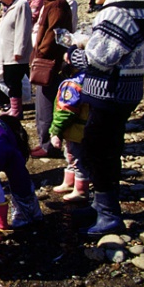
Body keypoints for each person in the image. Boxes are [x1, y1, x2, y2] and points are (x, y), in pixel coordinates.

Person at [65, 0, 144, 236]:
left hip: (108, 91)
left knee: (98, 151)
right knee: (109, 148)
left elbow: (100, 59)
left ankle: (108, 213)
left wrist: (73, 53)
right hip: (128, 90)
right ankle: (101, 205)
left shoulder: (114, 12)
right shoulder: (139, 10)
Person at [29, 0, 73, 158]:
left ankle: (48, 145)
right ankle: (45, 142)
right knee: (43, 101)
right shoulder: (51, 3)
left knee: (46, 102)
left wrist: (39, 55)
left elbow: (53, 35)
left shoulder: (57, 6)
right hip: (47, 61)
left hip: (49, 63)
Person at [0, 0, 33, 119]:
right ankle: (14, 107)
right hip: (6, 51)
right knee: (9, 80)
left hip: (14, 53)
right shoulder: (10, 7)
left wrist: (19, 50)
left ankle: (16, 110)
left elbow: (23, 29)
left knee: (14, 82)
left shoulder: (21, 5)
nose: (0, 0)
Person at [49, 70, 90, 202]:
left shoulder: (73, 84)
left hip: (75, 129)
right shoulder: (91, 78)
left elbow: (66, 111)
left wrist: (55, 130)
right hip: (84, 128)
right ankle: (69, 182)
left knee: (77, 158)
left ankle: (81, 190)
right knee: (70, 154)